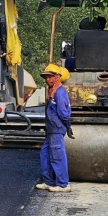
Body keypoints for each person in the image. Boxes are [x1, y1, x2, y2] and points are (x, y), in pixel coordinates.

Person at [36, 64, 74, 193]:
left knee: (57, 156)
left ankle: (63, 185)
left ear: (57, 77)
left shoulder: (60, 92)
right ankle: (49, 181)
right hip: (51, 129)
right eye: (46, 77)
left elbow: (64, 112)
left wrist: (68, 126)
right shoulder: (52, 90)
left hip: (57, 129)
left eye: (50, 77)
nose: (47, 80)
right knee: (45, 154)